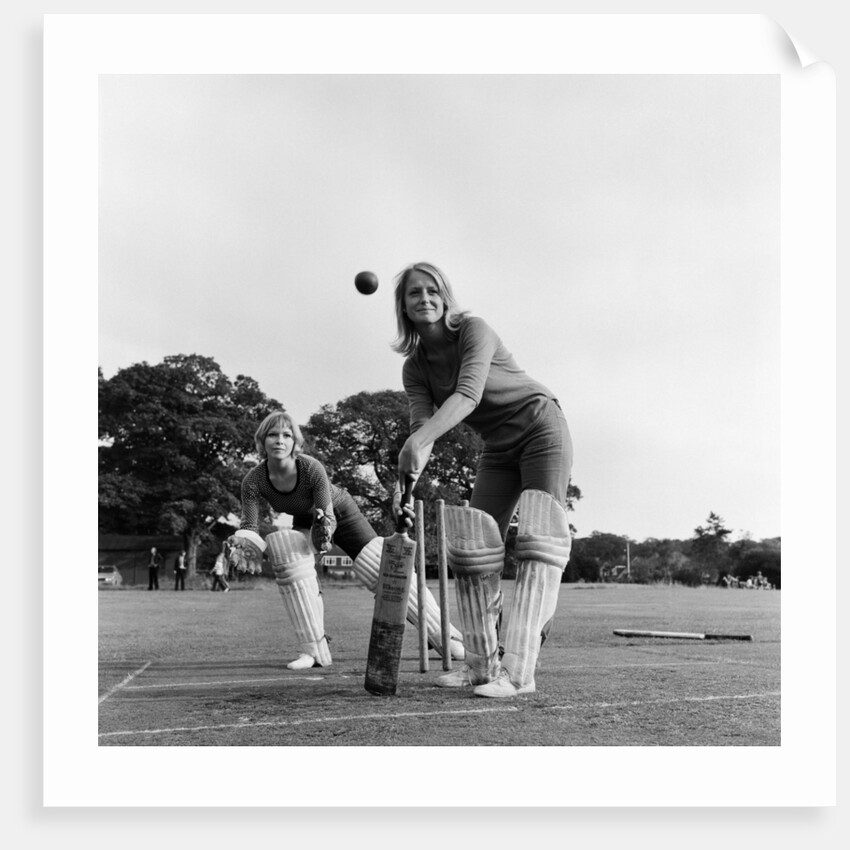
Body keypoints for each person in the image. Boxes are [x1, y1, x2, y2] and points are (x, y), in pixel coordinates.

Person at [391, 262, 574, 699]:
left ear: (446, 295)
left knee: (537, 542)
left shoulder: (474, 329)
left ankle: (520, 671)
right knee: (473, 548)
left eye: (433, 290)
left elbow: (467, 396)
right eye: (415, 293)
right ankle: (481, 665)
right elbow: (423, 430)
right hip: (498, 447)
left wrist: (418, 441)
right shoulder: (415, 368)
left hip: (540, 427)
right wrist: (406, 482)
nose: (425, 299)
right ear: (404, 306)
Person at [226, 410, 464, 671]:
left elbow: (326, 516)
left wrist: (322, 536)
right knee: (289, 560)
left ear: (296, 442)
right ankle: (313, 649)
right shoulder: (254, 480)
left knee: (381, 567)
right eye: (273, 435)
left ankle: (444, 636)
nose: (279, 440)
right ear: (262, 441)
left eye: (287, 435)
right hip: (305, 519)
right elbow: (249, 525)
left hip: (336, 511)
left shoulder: (311, 467)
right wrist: (247, 543)